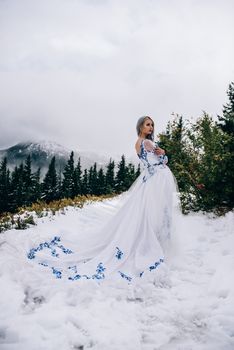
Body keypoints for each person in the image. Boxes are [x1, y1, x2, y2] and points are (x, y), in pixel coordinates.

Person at [27, 116, 179, 285]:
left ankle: (150, 241)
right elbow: (163, 160)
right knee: (160, 211)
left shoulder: (137, 144)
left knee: (146, 213)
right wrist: (164, 153)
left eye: (152, 125)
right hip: (157, 178)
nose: (151, 127)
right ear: (141, 127)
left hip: (150, 179)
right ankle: (159, 243)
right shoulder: (149, 143)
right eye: (147, 124)